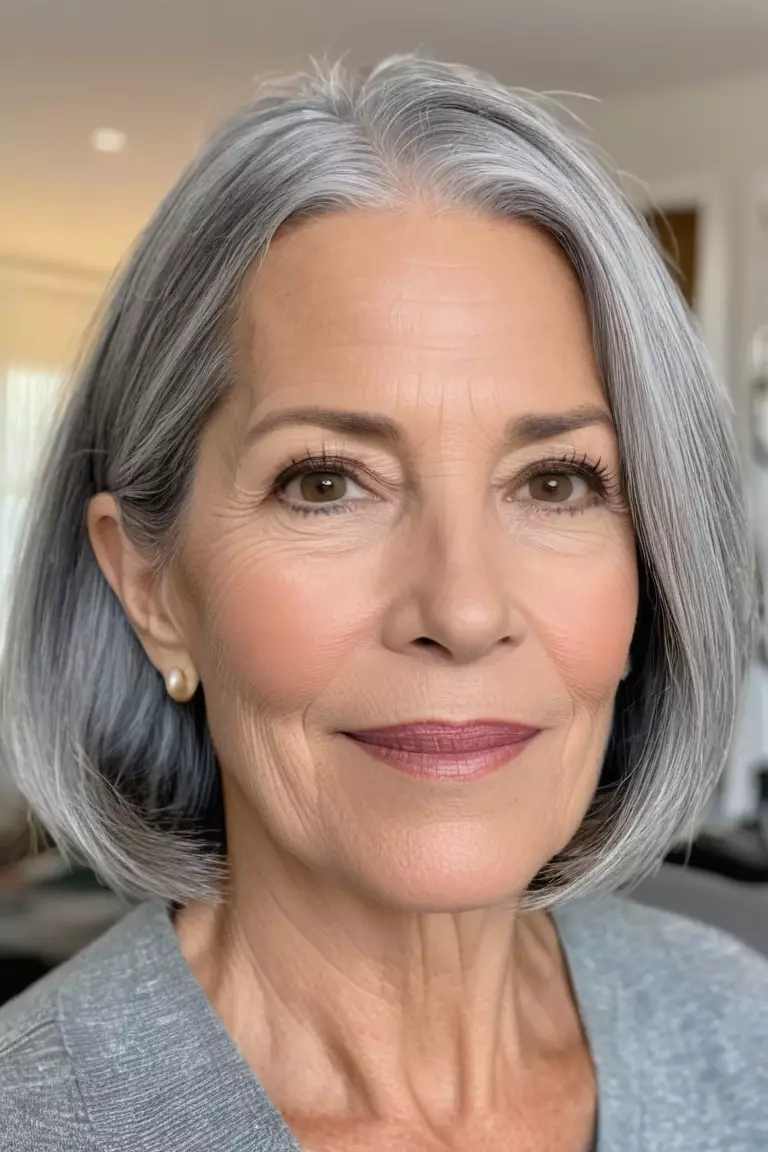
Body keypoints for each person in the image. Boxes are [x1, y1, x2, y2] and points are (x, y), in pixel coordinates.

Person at [0, 55, 765, 1152]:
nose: (459, 609)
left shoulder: (742, 1034)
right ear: (153, 587)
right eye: (326, 483)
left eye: (556, 482)